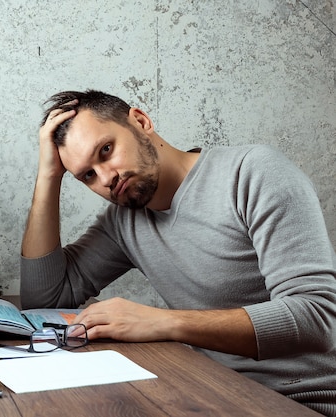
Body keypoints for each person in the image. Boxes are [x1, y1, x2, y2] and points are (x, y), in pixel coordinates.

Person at [19, 89, 336, 416]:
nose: (106, 178)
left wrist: (161, 322)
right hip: (210, 392)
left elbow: (318, 318)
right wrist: (49, 176)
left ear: (141, 122)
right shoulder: (125, 221)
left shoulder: (253, 173)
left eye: (107, 150)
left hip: (304, 401)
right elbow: (45, 298)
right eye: (87, 175)